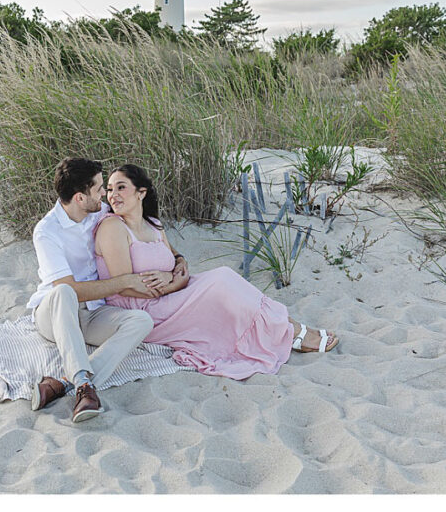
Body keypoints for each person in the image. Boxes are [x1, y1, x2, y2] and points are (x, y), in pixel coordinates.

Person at [93, 164, 339, 380]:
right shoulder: (113, 226)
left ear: (141, 193)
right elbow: (125, 286)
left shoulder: (153, 224)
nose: (113, 195)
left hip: (168, 294)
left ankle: (288, 327)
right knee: (222, 281)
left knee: (226, 280)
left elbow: (176, 259)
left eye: (121, 188)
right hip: (143, 308)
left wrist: (178, 267)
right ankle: (291, 331)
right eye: (111, 189)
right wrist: (177, 282)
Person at [27, 157, 161, 423]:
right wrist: (125, 281)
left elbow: (147, 228)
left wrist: (177, 259)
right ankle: (83, 386)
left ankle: (66, 383)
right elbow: (71, 289)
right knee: (64, 291)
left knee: (142, 321)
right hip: (54, 313)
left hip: (93, 311)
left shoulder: (99, 212)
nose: (106, 194)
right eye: (100, 188)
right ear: (79, 197)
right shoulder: (47, 232)